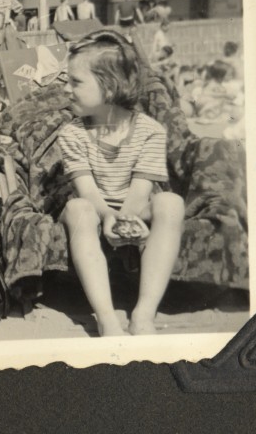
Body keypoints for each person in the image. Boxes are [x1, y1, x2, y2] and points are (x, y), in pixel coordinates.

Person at [57, 31, 184, 336]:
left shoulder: (150, 131)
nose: (66, 89)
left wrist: (127, 217)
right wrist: (109, 217)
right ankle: (106, 318)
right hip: (94, 205)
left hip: (134, 205)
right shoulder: (72, 134)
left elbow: (141, 191)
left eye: (76, 82)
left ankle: (143, 314)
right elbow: (86, 191)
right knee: (77, 208)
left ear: (109, 86)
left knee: (171, 202)